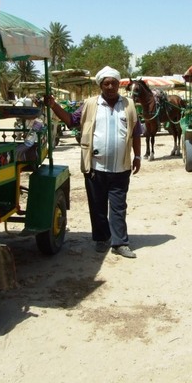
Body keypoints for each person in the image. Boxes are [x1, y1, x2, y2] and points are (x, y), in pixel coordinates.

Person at [45, 66, 142, 259]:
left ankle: (120, 243)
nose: (110, 86)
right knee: (97, 205)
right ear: (100, 86)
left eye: (114, 83)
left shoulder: (128, 105)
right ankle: (101, 238)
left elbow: (136, 133)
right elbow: (71, 121)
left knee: (118, 205)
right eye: (106, 83)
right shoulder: (90, 104)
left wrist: (137, 156)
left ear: (118, 84)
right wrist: (53, 105)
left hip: (120, 167)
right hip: (95, 166)